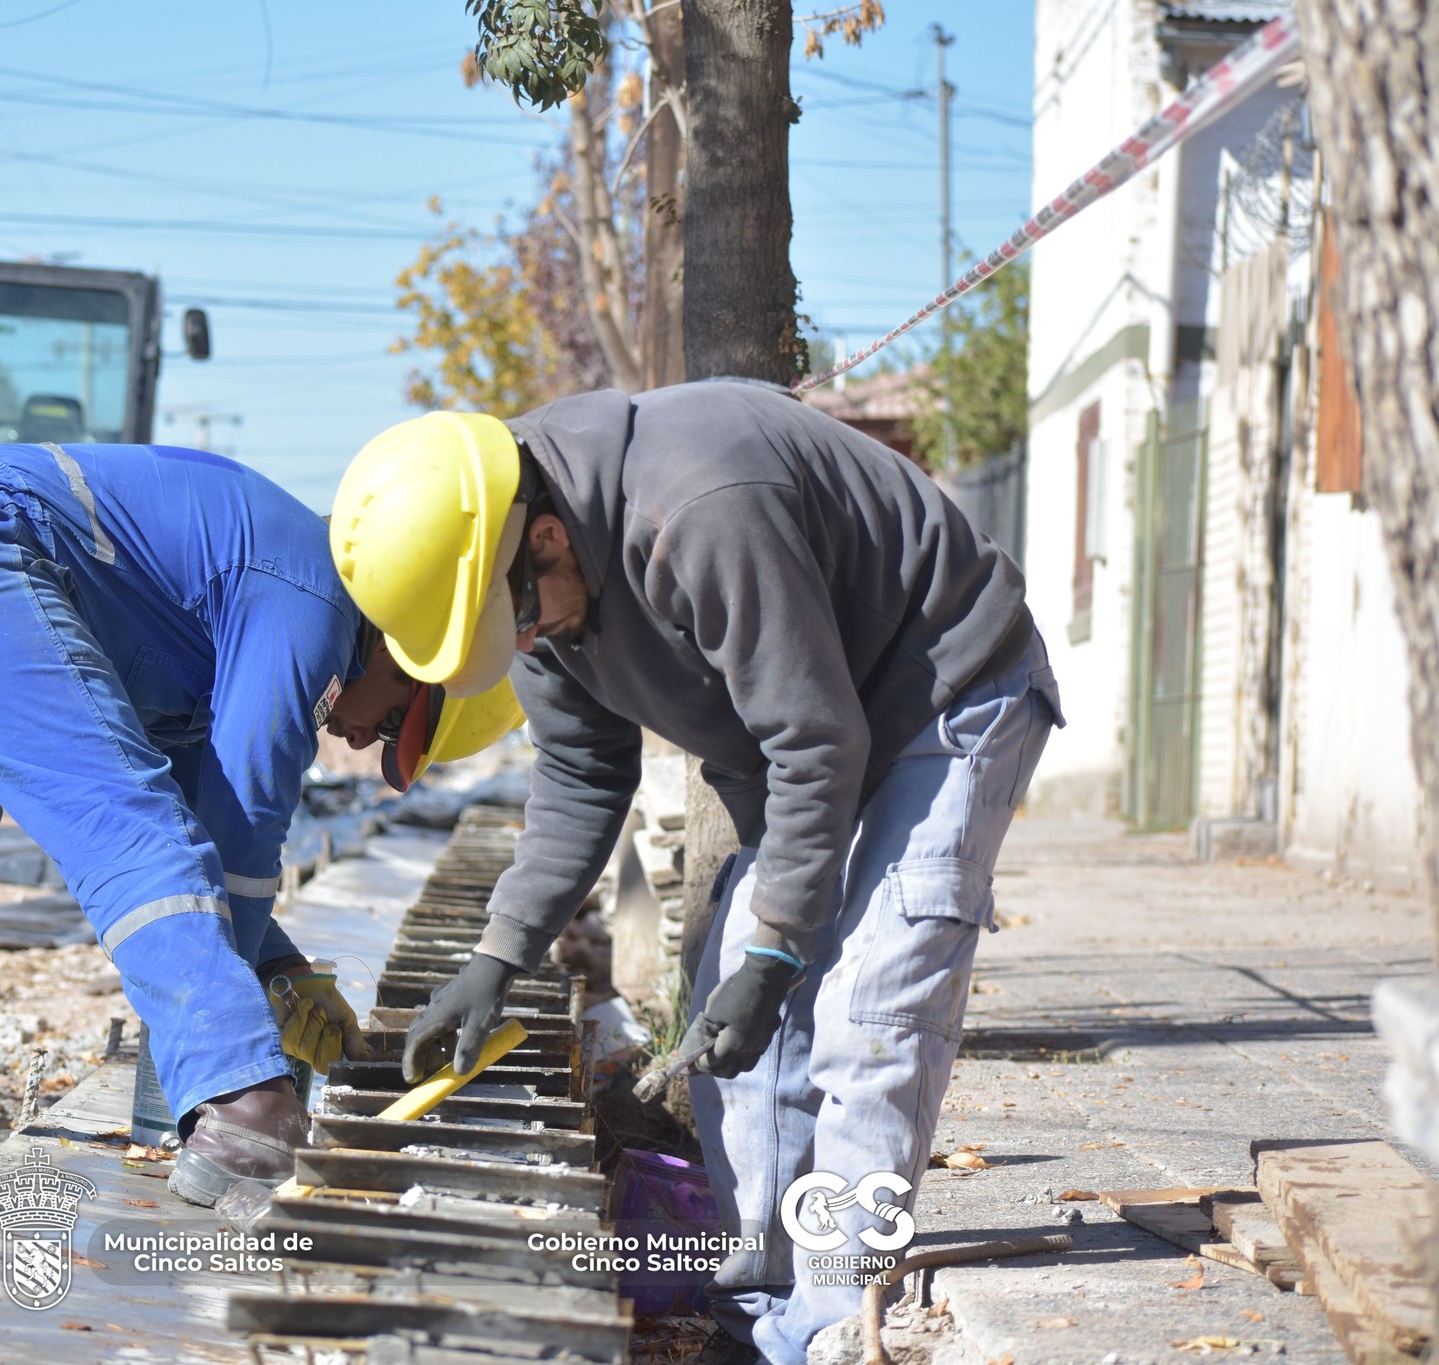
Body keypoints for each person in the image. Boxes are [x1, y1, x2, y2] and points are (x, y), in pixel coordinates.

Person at [330, 382, 1065, 1365]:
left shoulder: (698, 505)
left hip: (944, 694)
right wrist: (497, 954)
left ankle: (837, 1323)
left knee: (869, 1012)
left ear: (545, 538)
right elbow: (582, 777)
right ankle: (760, 1308)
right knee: (741, 1035)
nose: (531, 647)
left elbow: (816, 739)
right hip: (801, 748)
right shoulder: (521, 584)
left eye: (525, 625)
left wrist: (779, 945)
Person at [0, 439, 449, 1261]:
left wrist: (277, 967)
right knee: (128, 821)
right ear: (401, 648)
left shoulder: (229, 603)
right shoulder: (311, 599)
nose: (361, 736)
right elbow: (239, 825)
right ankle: (244, 1103)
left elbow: (206, 826)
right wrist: (242, 1056)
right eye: (392, 720)